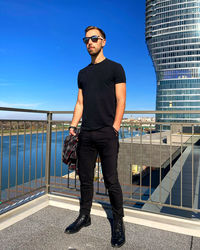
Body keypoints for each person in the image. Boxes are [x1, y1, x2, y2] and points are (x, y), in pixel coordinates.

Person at [64, 26, 126, 248]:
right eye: (86, 39)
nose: (89, 42)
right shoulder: (82, 73)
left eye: (94, 38)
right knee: (85, 179)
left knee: (111, 181)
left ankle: (118, 223)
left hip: (107, 134)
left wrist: (115, 128)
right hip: (86, 134)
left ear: (103, 42)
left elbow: (121, 100)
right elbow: (80, 103)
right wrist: (73, 124)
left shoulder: (115, 68)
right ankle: (84, 216)